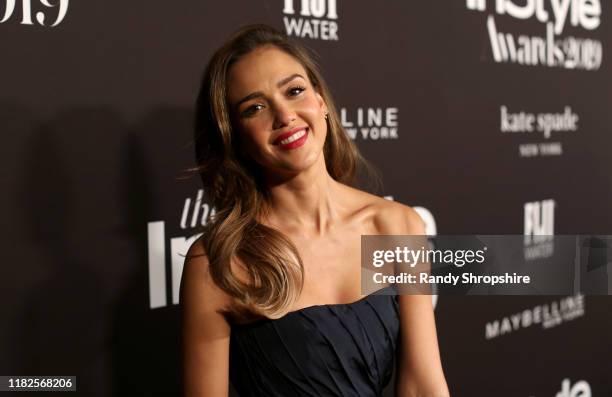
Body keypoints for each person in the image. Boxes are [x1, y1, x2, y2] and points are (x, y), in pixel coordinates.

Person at [180, 24, 450, 397]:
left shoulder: (393, 226)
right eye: (254, 107)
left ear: (321, 102)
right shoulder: (219, 262)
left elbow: (422, 385)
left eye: (294, 91)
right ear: (235, 137)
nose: (284, 115)